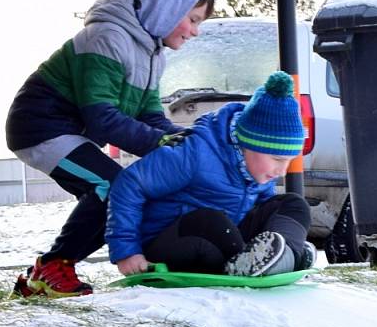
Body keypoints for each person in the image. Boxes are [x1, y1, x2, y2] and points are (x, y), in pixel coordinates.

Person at [7, 0, 215, 298]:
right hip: (39, 125)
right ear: (168, 7)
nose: (195, 32)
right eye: (192, 19)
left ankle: (49, 274)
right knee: (113, 186)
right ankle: (52, 267)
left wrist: (186, 139)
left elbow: (150, 116)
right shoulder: (107, 37)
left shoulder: (153, 53)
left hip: (72, 131)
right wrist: (160, 141)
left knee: (123, 194)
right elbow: (103, 117)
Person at [105, 71, 316, 278]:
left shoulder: (257, 170)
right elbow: (130, 183)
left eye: (288, 161)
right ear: (248, 144)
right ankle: (253, 263)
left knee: (293, 203)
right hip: (169, 242)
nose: (282, 170)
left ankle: (287, 255)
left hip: (223, 242)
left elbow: (266, 210)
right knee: (211, 220)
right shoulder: (196, 153)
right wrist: (128, 251)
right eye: (277, 159)